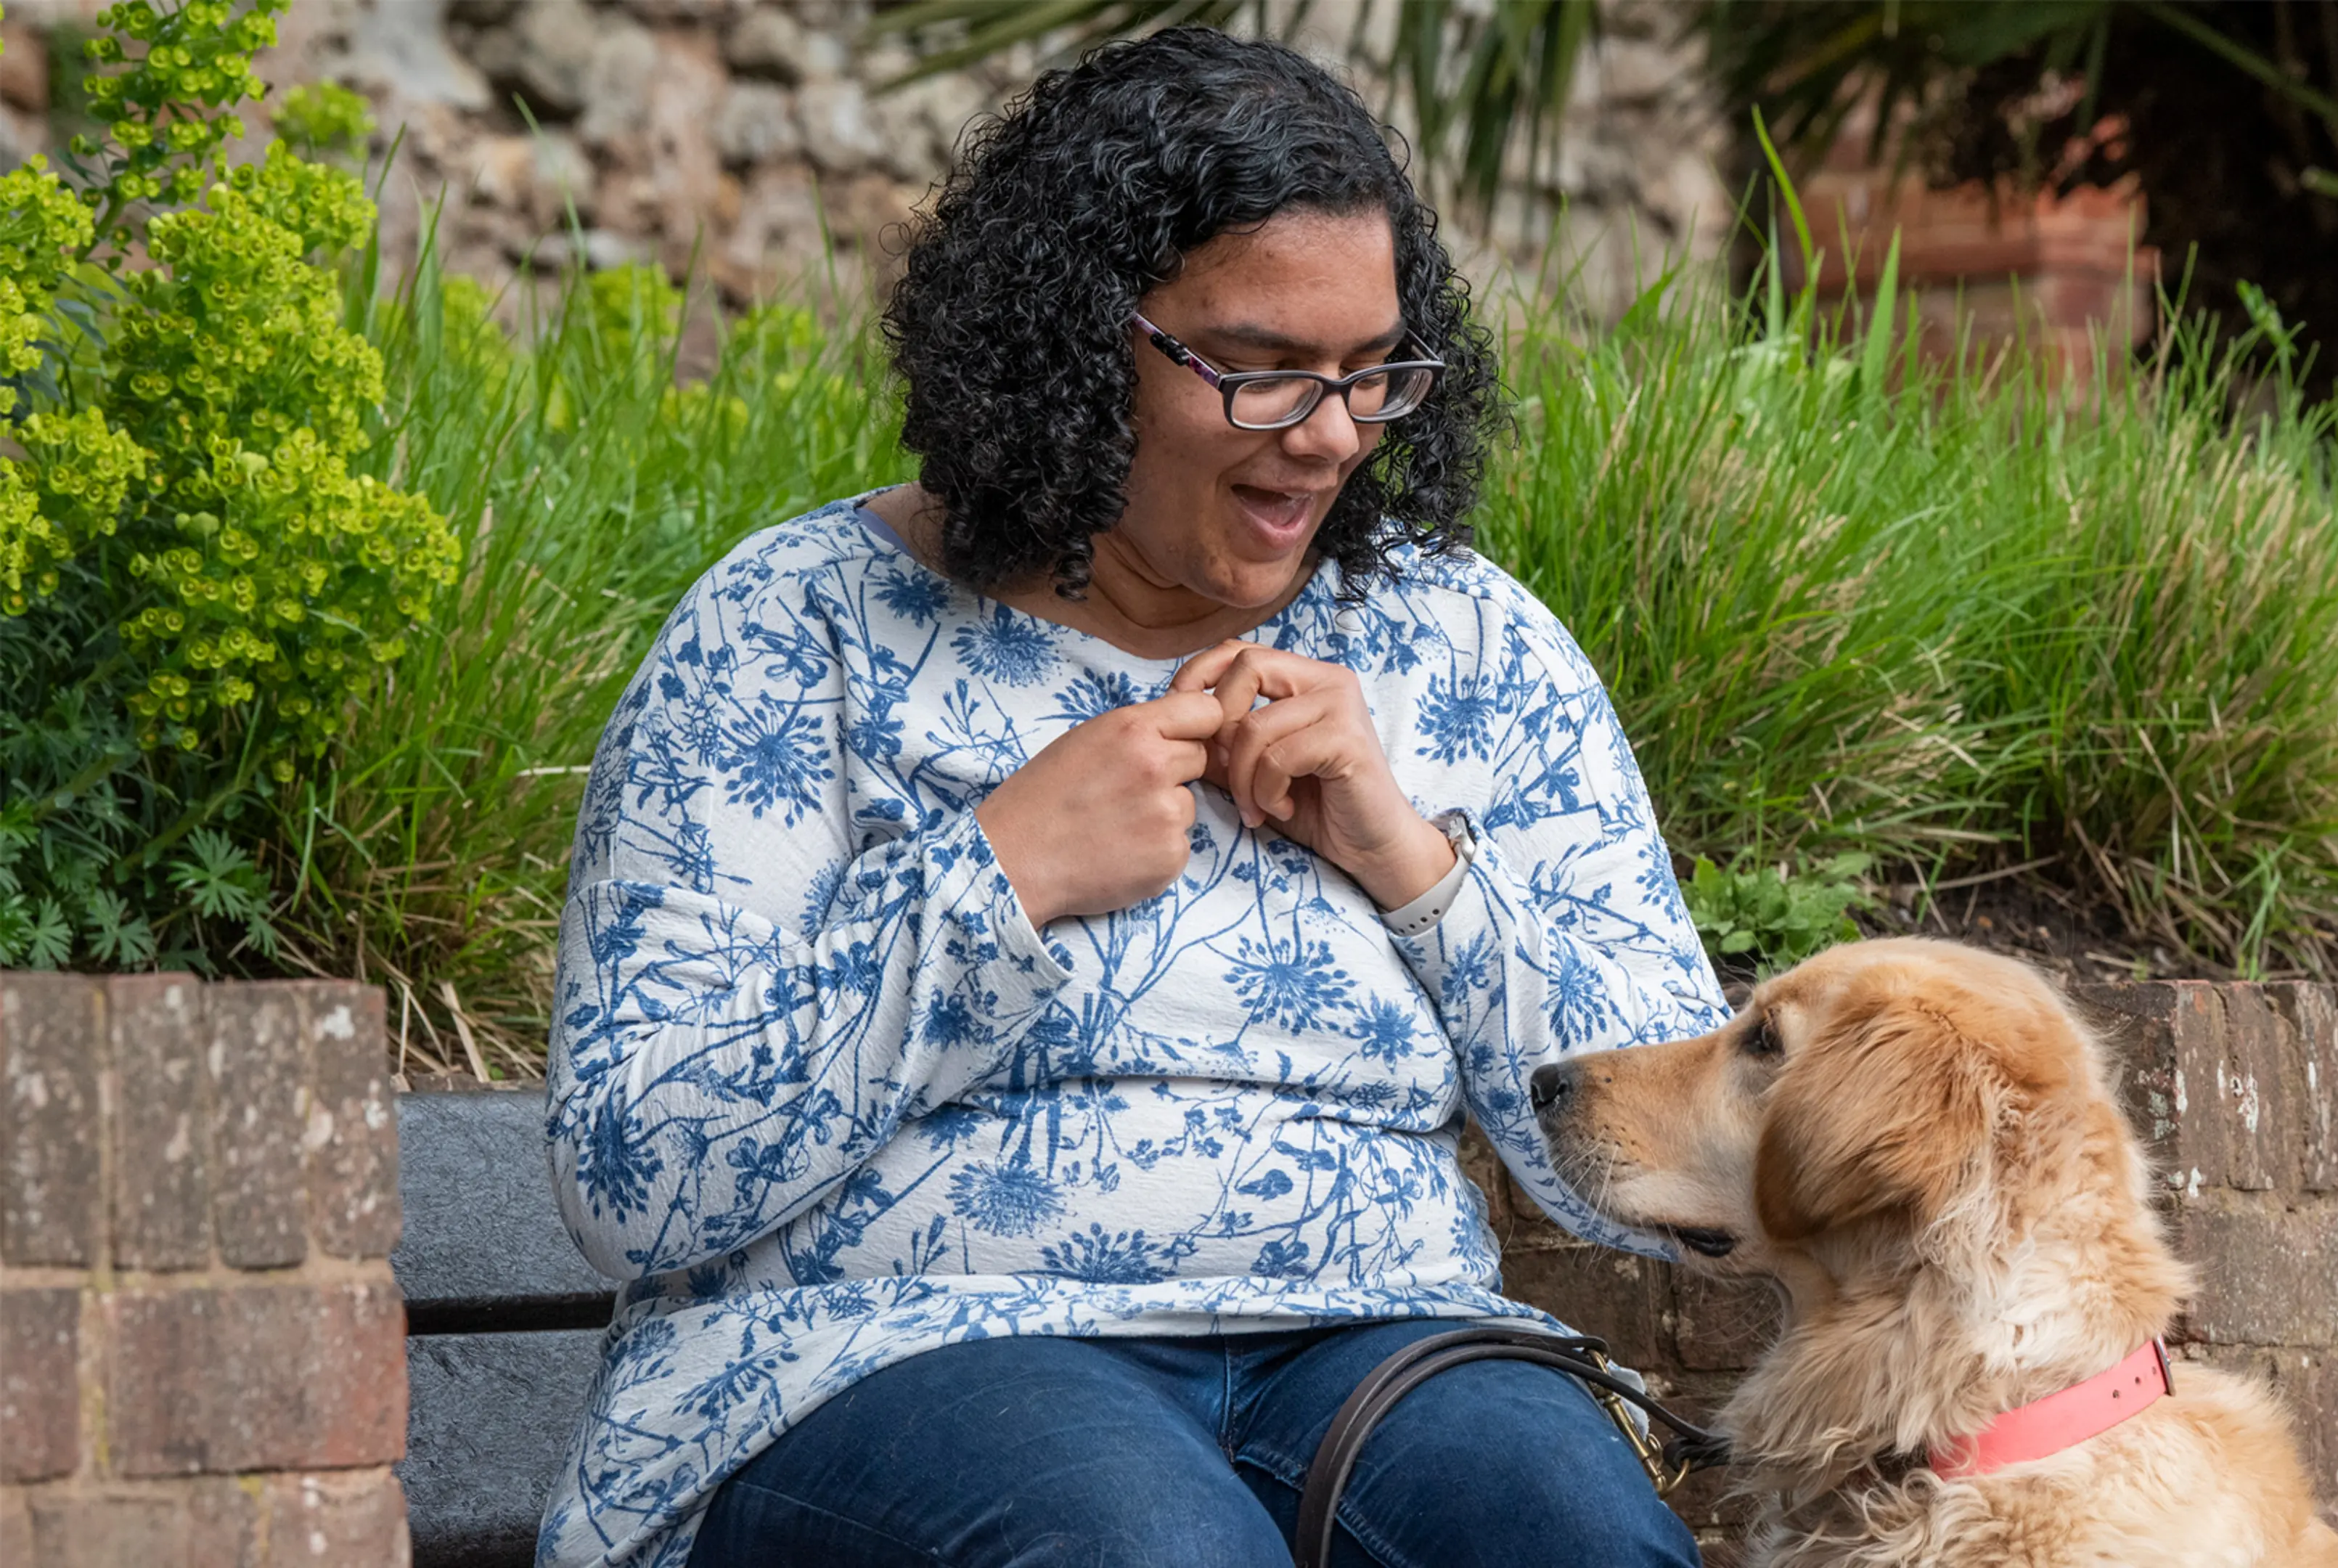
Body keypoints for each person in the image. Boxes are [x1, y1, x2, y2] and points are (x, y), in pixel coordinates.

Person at [539, 27, 1728, 1568]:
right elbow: (635, 1177)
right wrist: (992, 882)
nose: (1329, 436)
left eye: (1371, 373)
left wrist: (1415, 865)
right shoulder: (797, 629)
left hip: (1376, 1337)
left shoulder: (1469, 642)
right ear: (1075, 344)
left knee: (1571, 1542)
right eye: (1258, 370)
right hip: (892, 1359)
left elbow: (1680, 1177)